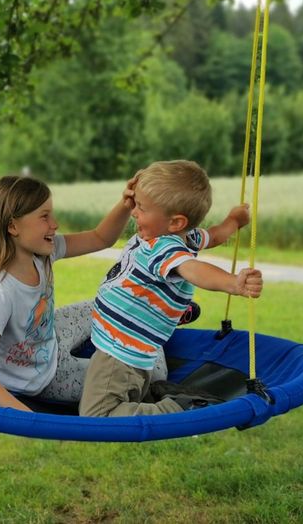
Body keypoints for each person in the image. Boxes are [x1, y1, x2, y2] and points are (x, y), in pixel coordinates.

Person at [79, 160, 263, 417]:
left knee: (97, 415)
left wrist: (233, 283)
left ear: (175, 222)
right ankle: (161, 393)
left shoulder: (164, 248)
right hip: (133, 348)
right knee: (130, 397)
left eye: (141, 208)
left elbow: (192, 269)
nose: (134, 213)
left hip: (119, 351)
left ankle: (177, 407)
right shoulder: (186, 237)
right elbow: (216, 234)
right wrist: (234, 219)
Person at [0, 175, 136, 412]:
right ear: (13, 226)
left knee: (110, 304)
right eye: (44, 216)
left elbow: (100, 238)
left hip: (50, 335)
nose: (55, 224)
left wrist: (126, 205)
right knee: (140, 375)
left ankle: (159, 314)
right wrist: (27, 418)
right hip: (41, 377)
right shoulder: (0, 293)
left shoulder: (42, 253)